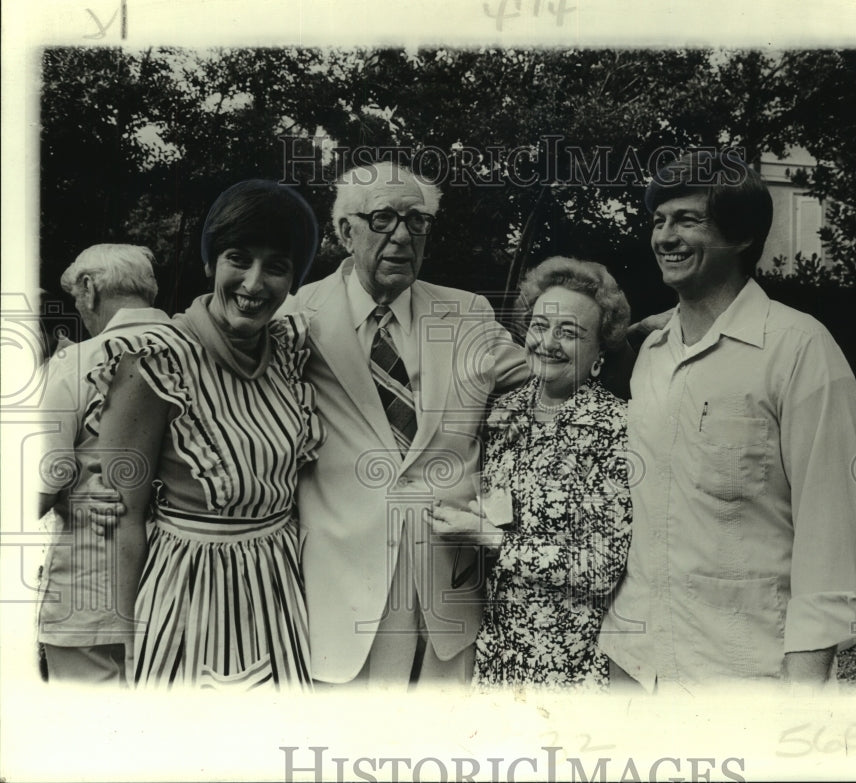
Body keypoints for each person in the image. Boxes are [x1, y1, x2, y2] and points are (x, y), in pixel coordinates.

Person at [600, 150, 856, 690]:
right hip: (633, 668)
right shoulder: (647, 353)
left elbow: (831, 539)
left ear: (743, 236)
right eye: (658, 221)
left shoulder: (800, 350)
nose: (665, 236)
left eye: (688, 220)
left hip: (744, 679)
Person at [284, 161, 529, 689]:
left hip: (446, 579)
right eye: (383, 219)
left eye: (416, 221)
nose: (401, 235)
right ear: (345, 232)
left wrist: (632, 340)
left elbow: (548, 380)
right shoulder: (296, 318)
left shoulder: (468, 315)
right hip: (340, 580)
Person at [86, 180, 321, 690]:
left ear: (293, 280)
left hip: (278, 589)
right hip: (192, 591)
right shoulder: (155, 361)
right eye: (239, 258)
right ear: (210, 262)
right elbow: (120, 519)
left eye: (277, 266)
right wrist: (127, 646)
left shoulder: (288, 352)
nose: (254, 283)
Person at [428, 257, 633, 689]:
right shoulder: (505, 411)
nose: (548, 342)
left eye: (570, 333)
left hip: (568, 666)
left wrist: (489, 536)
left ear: (599, 351)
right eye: (541, 326)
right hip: (496, 656)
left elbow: (602, 566)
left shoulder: (614, 428)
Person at [37, 244, 169, 685]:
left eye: (77, 298)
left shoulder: (76, 363)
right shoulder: (201, 353)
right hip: (183, 591)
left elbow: (40, 485)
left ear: (89, 289)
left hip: (91, 594)